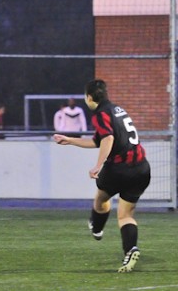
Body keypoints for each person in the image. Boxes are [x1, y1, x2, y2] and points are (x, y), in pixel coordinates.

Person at [53, 79, 150, 273]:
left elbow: (108, 138)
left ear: (89, 98)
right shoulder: (117, 110)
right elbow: (98, 140)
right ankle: (130, 249)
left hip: (118, 169)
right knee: (125, 215)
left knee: (101, 199)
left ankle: (97, 227)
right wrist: (70, 140)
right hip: (141, 169)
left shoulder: (100, 114)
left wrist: (98, 165)